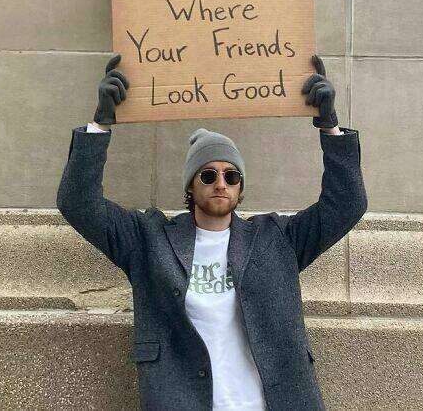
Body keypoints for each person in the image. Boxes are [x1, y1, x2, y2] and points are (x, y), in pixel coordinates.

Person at [57, 54, 366, 411]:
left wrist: (329, 126)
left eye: (231, 176)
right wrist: (100, 124)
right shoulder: (148, 239)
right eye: (208, 175)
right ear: (191, 183)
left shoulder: (276, 239)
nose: (221, 183)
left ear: (240, 186)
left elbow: (347, 204)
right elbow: (77, 202)